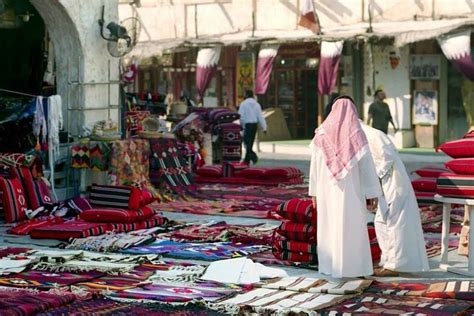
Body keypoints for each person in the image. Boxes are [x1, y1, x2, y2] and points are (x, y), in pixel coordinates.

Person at [309, 96, 383, 278]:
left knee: (330, 227)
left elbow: (314, 168)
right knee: (352, 228)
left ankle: (330, 267)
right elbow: (367, 167)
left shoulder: (321, 135)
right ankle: (354, 268)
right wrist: (371, 193)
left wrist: (314, 192)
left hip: (327, 192)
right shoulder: (357, 136)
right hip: (352, 193)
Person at [360, 122, 429, 275]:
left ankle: (394, 266)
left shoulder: (373, 135)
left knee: (395, 223)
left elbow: (387, 156)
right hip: (383, 184)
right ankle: (387, 261)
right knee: (380, 222)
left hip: (393, 182)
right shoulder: (359, 136)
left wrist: (376, 178)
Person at [238, 90, 267, 164]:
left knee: (246, 142)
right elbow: (260, 116)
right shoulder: (257, 104)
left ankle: (253, 157)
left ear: (247, 95)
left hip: (247, 125)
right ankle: (247, 160)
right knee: (250, 143)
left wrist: (241, 125)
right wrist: (264, 127)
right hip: (254, 125)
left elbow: (241, 116)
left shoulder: (243, 104)